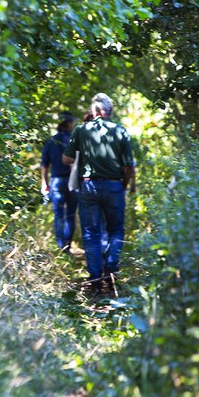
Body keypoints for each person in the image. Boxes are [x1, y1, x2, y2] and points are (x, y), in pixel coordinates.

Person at [62, 94, 136, 292]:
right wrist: (124, 185)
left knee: (91, 233)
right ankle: (111, 270)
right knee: (116, 230)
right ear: (110, 111)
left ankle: (95, 278)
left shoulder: (81, 130)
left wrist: (83, 152)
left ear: (93, 112)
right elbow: (128, 165)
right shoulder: (120, 130)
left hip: (88, 186)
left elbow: (66, 160)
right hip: (114, 186)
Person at [41, 111, 78, 252]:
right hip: (72, 182)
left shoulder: (51, 141)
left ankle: (61, 246)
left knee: (59, 215)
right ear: (68, 124)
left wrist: (44, 183)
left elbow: (44, 164)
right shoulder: (74, 140)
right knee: (70, 214)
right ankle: (67, 245)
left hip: (56, 182)